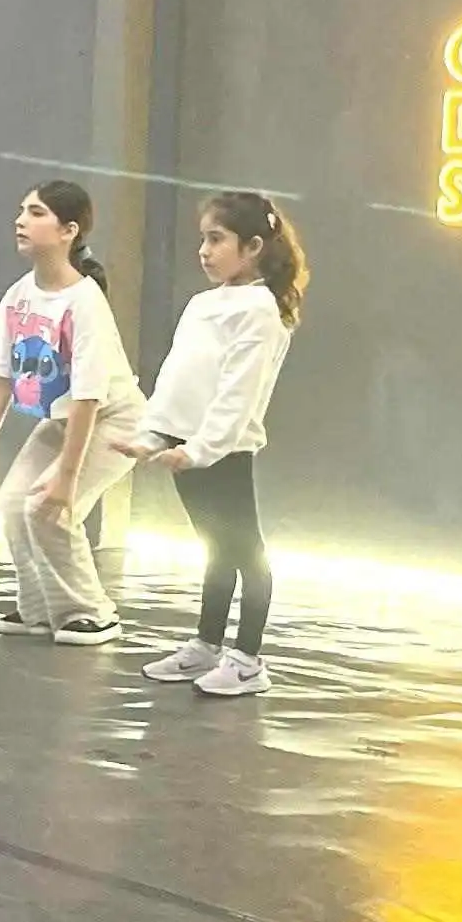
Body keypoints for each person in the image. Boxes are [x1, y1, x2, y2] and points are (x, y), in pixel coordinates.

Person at [124, 192, 305, 699]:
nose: (203, 251)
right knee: (216, 549)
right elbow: (176, 379)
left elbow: (238, 394)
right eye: (202, 239)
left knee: (245, 552)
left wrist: (202, 449)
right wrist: (152, 435)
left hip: (223, 452)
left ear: (253, 246)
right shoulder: (203, 304)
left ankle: (247, 660)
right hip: (187, 447)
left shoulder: (261, 310)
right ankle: (206, 644)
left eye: (216, 239)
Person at [0, 181, 145, 646]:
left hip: (114, 420)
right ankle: (39, 607)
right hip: (64, 419)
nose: (20, 220)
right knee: (13, 504)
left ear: (69, 231)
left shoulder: (84, 301)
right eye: (22, 210)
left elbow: (89, 396)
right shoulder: (18, 296)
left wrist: (66, 476)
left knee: (48, 508)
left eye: (36, 212)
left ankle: (92, 612)